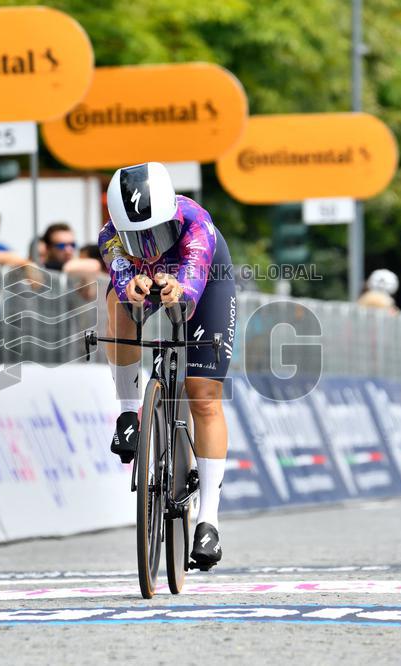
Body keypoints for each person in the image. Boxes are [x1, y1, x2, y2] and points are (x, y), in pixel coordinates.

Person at [99, 162, 236, 571]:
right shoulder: (109, 238)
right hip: (148, 285)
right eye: (136, 239)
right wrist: (130, 287)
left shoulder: (196, 224)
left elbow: (191, 283)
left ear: (172, 220)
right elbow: (122, 276)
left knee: (203, 395)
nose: (149, 248)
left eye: (157, 235)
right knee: (118, 304)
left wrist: (179, 288)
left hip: (203, 281)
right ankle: (128, 412)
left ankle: (209, 519)